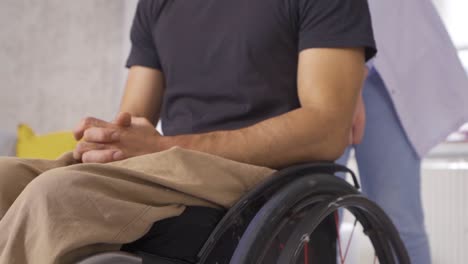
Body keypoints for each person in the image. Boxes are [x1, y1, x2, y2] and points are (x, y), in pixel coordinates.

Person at [0, 0, 376, 263]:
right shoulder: (158, 4)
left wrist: (163, 145)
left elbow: (328, 128)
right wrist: (108, 140)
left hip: (260, 178)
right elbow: (131, 120)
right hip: (170, 170)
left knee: (54, 197)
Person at [337, 0, 468, 263]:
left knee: (397, 221)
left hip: (384, 66)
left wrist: (353, 75)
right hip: (315, 60)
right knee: (316, 215)